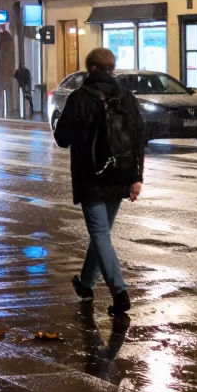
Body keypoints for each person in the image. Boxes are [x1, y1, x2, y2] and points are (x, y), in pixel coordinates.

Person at [53, 47, 145, 317]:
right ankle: (85, 283)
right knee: (101, 233)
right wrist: (137, 177)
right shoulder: (126, 97)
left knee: (100, 233)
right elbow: (139, 138)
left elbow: (62, 139)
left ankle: (120, 292)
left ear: (90, 68)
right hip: (120, 174)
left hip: (90, 175)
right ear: (112, 68)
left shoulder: (79, 98)